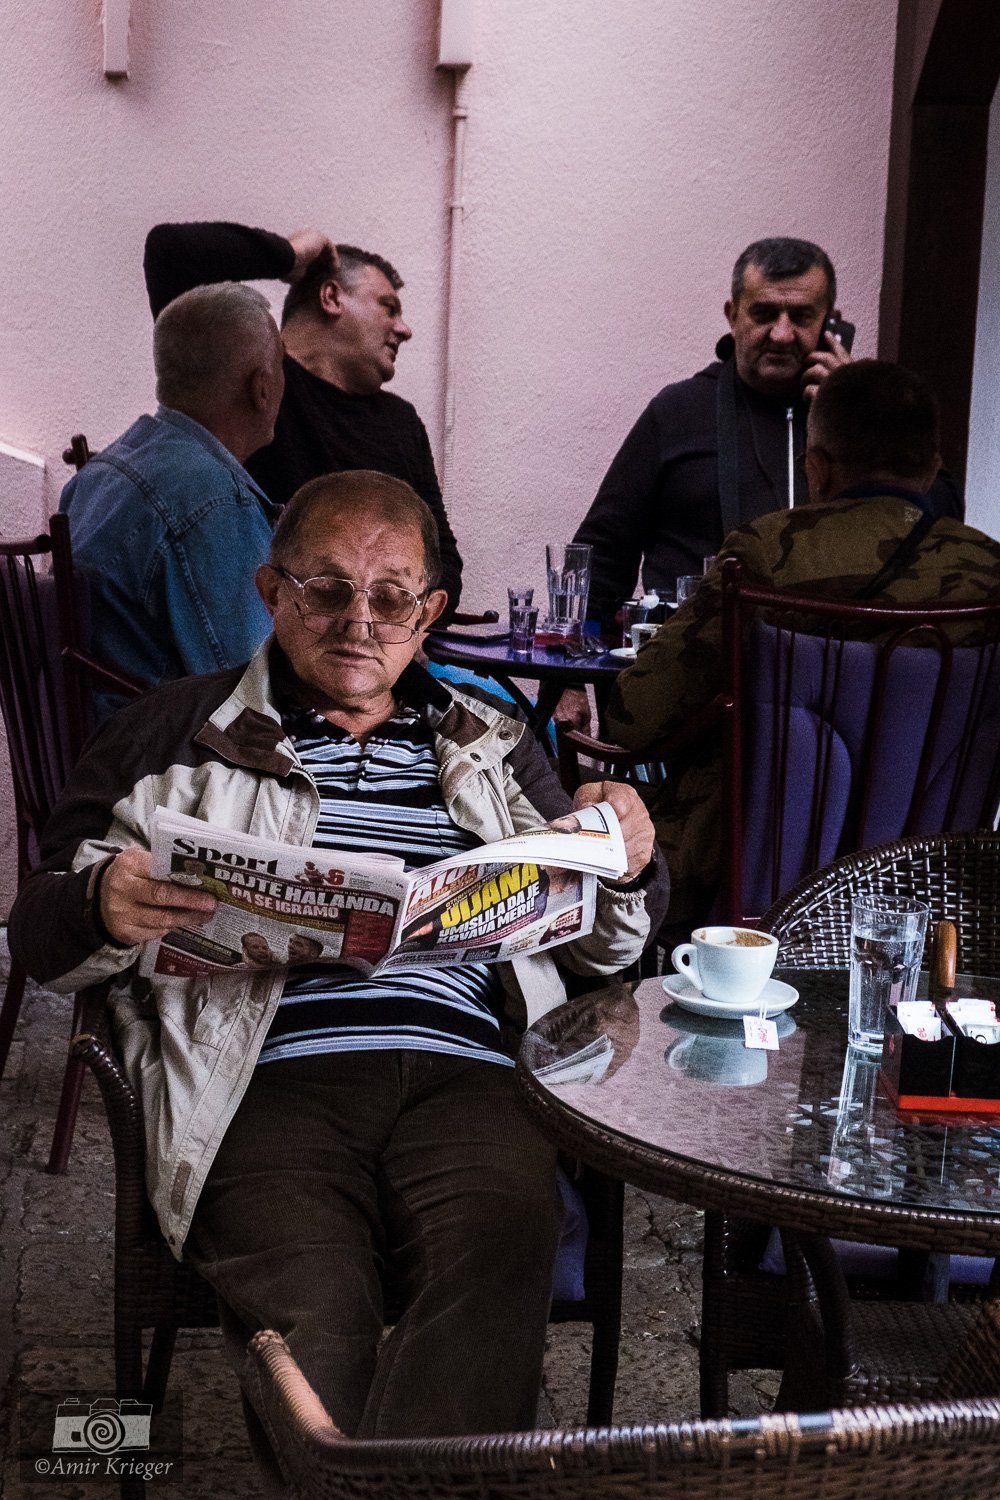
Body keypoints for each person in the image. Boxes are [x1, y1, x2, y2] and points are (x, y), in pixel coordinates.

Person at [10, 470, 667, 1460]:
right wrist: (102, 902)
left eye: (392, 596)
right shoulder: (167, 732)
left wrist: (622, 856)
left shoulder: (494, 743)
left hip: (470, 1075)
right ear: (272, 593)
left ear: (429, 612)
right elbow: (39, 926)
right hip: (264, 1078)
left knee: (491, 1265)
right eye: (325, 589)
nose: (359, 621)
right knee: (314, 1315)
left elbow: (619, 937)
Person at [604, 359, 1000, 928]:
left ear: (816, 466)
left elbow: (634, 718)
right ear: (935, 468)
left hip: (758, 890)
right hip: (936, 889)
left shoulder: (770, 551)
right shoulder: (990, 574)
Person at [143, 220, 464, 617]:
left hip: (390, 651)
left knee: (479, 684)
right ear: (330, 297)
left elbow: (442, 557)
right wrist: (288, 257)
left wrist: (407, 624)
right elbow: (171, 253)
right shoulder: (252, 383)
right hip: (272, 641)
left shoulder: (402, 421)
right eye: (389, 307)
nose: (405, 329)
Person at [59, 282, 285, 710]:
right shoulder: (213, 501)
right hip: (164, 764)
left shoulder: (99, 473)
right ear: (262, 387)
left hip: (103, 752)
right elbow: (258, 695)